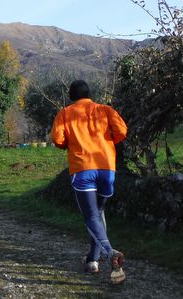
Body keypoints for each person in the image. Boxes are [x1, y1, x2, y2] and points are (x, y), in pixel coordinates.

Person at [50, 80, 128, 284]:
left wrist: (71, 144)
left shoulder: (65, 113)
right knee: (98, 214)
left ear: (71, 96)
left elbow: (57, 139)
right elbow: (122, 131)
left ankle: (110, 252)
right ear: (89, 94)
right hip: (106, 167)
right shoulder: (105, 109)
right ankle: (93, 260)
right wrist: (108, 141)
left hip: (82, 168)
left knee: (91, 216)